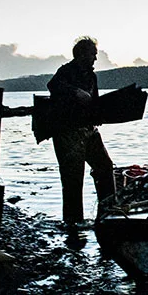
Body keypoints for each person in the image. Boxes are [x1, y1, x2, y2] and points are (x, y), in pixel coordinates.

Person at [48, 36, 116, 231]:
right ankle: (73, 223)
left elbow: (95, 102)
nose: (95, 58)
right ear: (81, 55)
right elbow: (53, 86)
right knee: (73, 178)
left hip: (89, 131)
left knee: (105, 167)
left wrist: (101, 114)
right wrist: (75, 92)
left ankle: (108, 212)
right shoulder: (65, 71)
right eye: (93, 54)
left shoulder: (92, 76)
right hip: (67, 132)